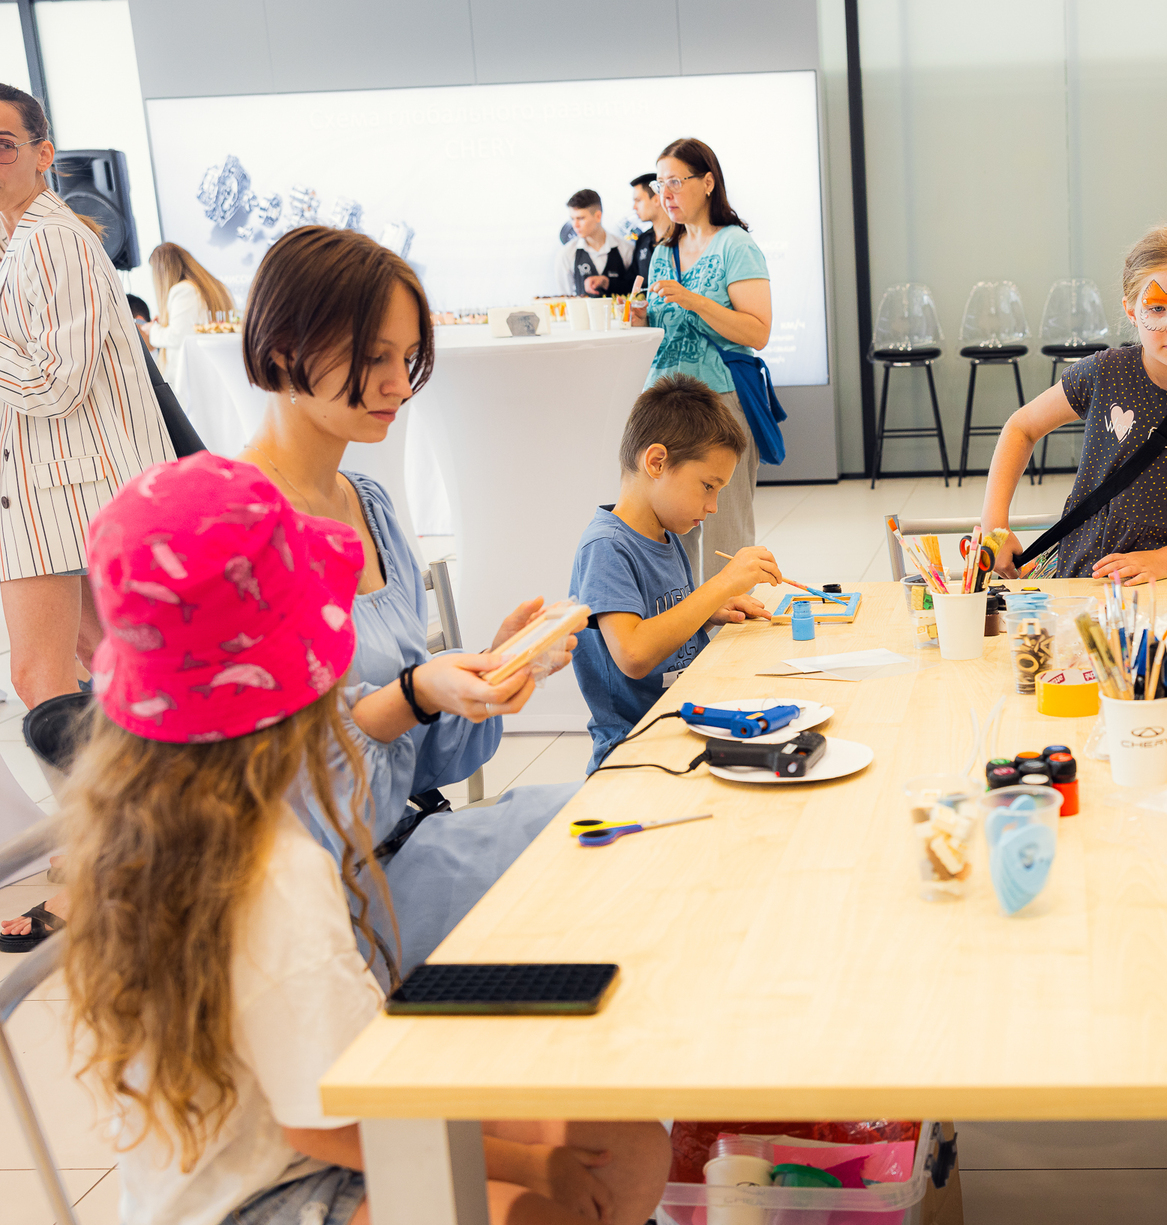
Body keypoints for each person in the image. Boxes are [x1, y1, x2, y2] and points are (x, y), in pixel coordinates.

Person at [61, 451, 669, 1225]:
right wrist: (527, 1163)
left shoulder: (160, 816)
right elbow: (334, 1117)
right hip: (255, 1207)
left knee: (626, 1149)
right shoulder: (271, 870)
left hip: (285, 1135)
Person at [238, 224, 581, 975]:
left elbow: (416, 756)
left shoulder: (366, 502)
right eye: (374, 358)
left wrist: (484, 672)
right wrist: (418, 692)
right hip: (327, 905)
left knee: (625, 817)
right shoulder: (242, 529)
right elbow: (299, 814)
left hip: (410, 844)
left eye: (407, 358)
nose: (399, 384)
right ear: (284, 350)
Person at [0, 83, 173, 707]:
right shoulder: (20, 241)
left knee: (40, 677)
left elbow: (55, 384)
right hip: (54, 490)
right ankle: (165, 769)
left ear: (43, 154)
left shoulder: (54, 240)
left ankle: (120, 782)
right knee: (114, 662)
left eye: (2, 145)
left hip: (63, 492)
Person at [981, 223, 1167, 581]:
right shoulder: (1104, 373)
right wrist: (994, 526)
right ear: (1131, 311)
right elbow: (1021, 427)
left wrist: (1165, 561)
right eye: (1157, 309)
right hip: (1090, 576)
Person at [571, 375, 783, 772]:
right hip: (635, 747)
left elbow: (659, 618)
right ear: (656, 462)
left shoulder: (666, 535)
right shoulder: (606, 546)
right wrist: (719, 585)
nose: (713, 506)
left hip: (686, 722)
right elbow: (633, 654)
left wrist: (708, 611)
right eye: (708, 486)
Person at [643, 137, 773, 582]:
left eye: (676, 181)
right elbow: (662, 326)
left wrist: (694, 300)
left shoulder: (735, 245)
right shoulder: (663, 251)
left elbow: (757, 331)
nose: (666, 193)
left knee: (724, 530)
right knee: (669, 530)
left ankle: (731, 623)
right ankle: (682, 623)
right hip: (665, 404)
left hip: (718, 403)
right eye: (660, 184)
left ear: (708, 182)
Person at [145, 240, 236, 392]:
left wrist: (153, 329)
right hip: (214, 373)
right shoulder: (215, 288)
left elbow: (178, 335)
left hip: (192, 379)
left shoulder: (183, 290)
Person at [556, 188, 639, 297]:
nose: (575, 225)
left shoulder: (626, 249)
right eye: (572, 219)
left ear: (598, 216)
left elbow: (635, 291)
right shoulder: (566, 254)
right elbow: (565, 298)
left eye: (580, 218)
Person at [627, 171, 663, 294]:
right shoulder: (643, 239)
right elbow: (630, 282)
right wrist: (606, 283)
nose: (634, 207)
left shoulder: (683, 238)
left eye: (638, 200)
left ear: (657, 199)